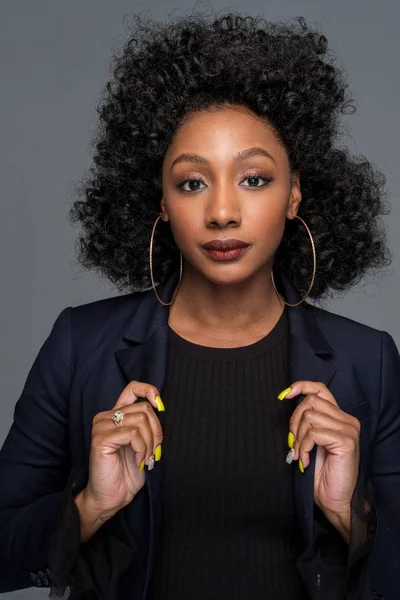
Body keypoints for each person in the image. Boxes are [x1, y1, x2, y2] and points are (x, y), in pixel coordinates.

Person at [0, 7, 398, 600]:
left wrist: (348, 513)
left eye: (254, 179)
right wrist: (89, 507)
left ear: (294, 195)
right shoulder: (82, 344)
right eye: (191, 182)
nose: (221, 212)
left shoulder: (368, 360)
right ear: (160, 201)